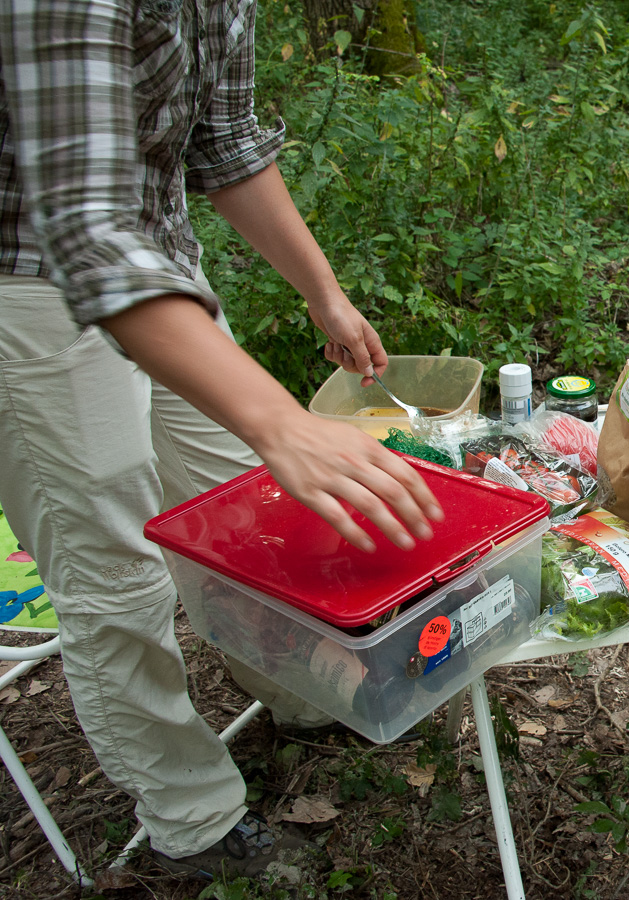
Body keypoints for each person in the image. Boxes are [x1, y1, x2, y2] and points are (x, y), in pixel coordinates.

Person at [0, 0, 442, 880]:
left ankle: (302, 695)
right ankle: (190, 819)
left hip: (159, 260)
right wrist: (280, 418)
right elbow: (84, 227)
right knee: (114, 570)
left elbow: (224, 144)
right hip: (28, 283)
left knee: (242, 505)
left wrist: (324, 294)